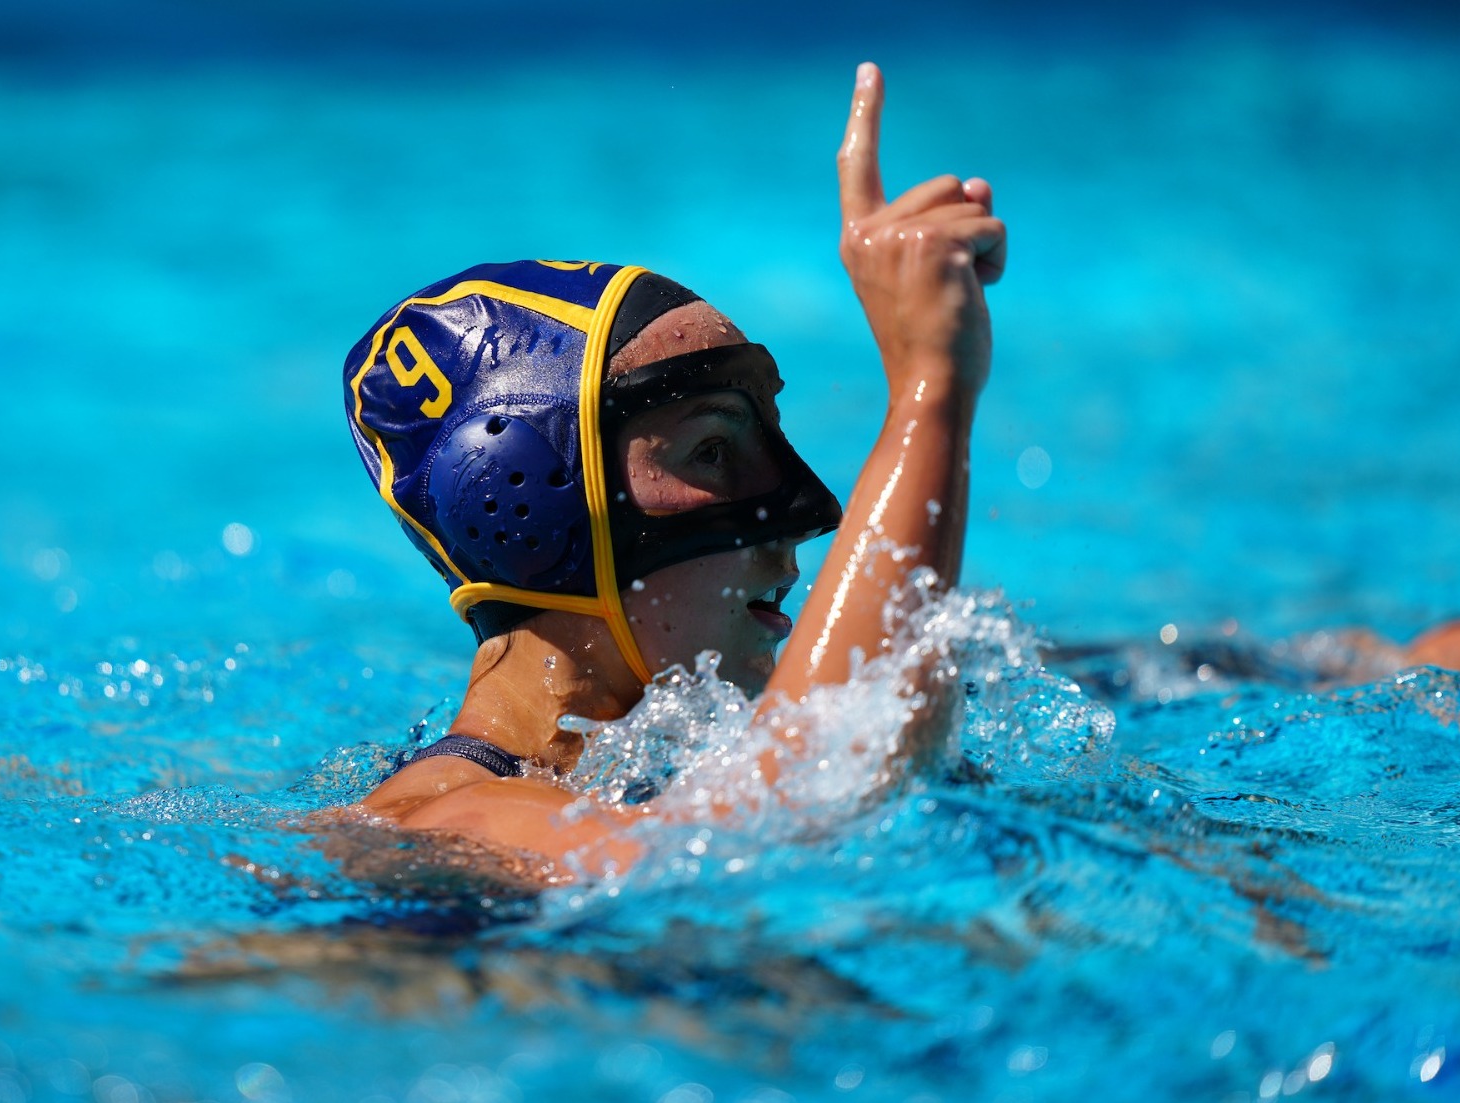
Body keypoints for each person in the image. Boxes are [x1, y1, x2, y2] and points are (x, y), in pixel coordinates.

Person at [337, 63, 998, 881]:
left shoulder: (612, 775)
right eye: (714, 451)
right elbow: (788, 817)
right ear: (534, 514)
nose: (806, 510)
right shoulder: (456, 818)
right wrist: (929, 393)